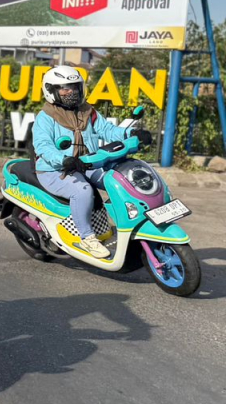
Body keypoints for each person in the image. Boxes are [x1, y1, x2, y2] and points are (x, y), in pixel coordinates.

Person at [32, 65, 150, 259]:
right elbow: (43, 146)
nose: (72, 92)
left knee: (121, 179)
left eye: (75, 87)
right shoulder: (45, 118)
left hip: (87, 163)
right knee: (82, 191)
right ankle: (87, 238)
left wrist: (132, 133)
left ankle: (133, 223)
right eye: (65, 88)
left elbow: (108, 130)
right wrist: (64, 159)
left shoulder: (88, 111)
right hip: (55, 169)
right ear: (51, 91)